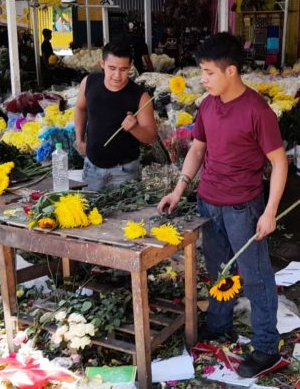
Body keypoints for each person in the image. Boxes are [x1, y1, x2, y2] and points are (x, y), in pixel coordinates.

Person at [157, 32, 288, 378]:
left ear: (231, 71)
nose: (203, 79)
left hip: (243, 208)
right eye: (202, 71)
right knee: (218, 272)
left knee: (256, 277)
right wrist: (178, 189)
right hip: (208, 203)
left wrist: (270, 211)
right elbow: (197, 149)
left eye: (209, 72)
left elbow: (279, 163)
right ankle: (219, 324)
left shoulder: (257, 111)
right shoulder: (207, 105)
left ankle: (265, 347)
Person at [74, 42, 157, 191]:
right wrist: (79, 139)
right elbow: (80, 108)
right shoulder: (89, 82)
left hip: (125, 172)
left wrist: (134, 128)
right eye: (112, 68)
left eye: (123, 69)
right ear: (102, 64)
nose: (117, 75)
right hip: (92, 167)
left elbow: (151, 137)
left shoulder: (141, 96)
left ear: (131, 66)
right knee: (88, 211)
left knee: (126, 215)